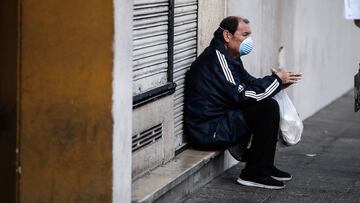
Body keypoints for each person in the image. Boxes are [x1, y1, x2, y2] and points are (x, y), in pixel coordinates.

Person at [184, 16, 302, 189]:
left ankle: (264, 166)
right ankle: (254, 173)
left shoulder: (230, 56)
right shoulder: (218, 60)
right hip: (208, 130)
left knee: (266, 103)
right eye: (245, 35)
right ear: (227, 36)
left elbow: (248, 82)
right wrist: (275, 81)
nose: (249, 41)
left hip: (222, 119)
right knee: (266, 108)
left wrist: (278, 84)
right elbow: (242, 95)